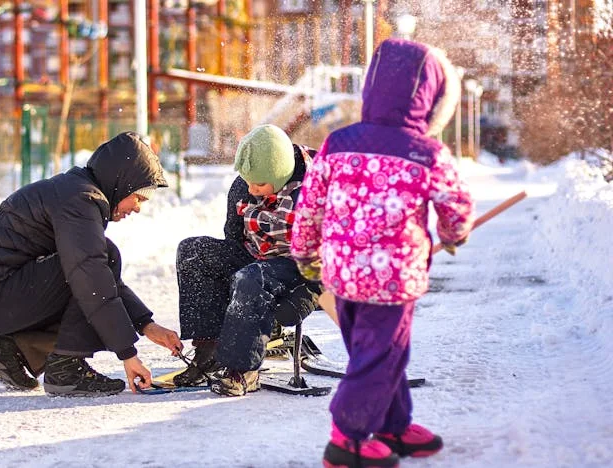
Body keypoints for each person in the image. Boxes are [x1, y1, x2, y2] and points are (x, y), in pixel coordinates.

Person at [290, 39, 474, 468]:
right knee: (382, 354)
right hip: (391, 280)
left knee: (373, 353)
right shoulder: (426, 151)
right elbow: (456, 204)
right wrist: (453, 233)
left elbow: (310, 204)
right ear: (431, 99)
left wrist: (305, 253)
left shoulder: (337, 142)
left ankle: (393, 425)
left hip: (342, 274)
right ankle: (346, 438)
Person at [0, 132, 183, 397]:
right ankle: (66, 368)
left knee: (96, 265)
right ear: (121, 182)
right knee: (95, 269)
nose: (138, 208)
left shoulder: (75, 191)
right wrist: (128, 354)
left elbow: (101, 278)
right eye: (138, 198)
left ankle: (9, 349)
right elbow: (93, 280)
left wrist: (146, 325)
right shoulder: (80, 200)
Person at [174, 124, 322, 397]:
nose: (251, 189)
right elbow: (233, 236)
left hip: (297, 267)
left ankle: (242, 370)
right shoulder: (244, 186)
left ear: (280, 173)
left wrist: (308, 296)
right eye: (247, 181)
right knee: (193, 252)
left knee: (252, 277)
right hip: (254, 256)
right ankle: (210, 349)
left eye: (260, 184)